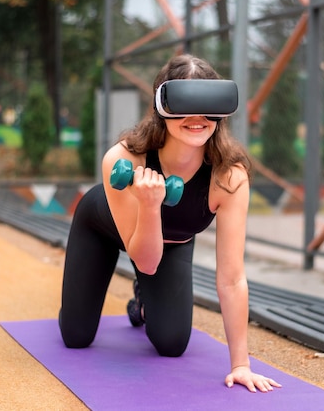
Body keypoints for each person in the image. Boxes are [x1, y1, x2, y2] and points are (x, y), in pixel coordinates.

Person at [58, 54, 281, 393]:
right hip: (102, 228)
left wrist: (241, 365)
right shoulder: (122, 159)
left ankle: (143, 303)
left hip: (170, 244)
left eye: (207, 106)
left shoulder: (229, 177)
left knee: (172, 343)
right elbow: (145, 262)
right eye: (184, 105)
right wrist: (149, 206)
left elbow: (232, 279)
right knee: (76, 337)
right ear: (162, 106)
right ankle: (126, 293)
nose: (196, 119)